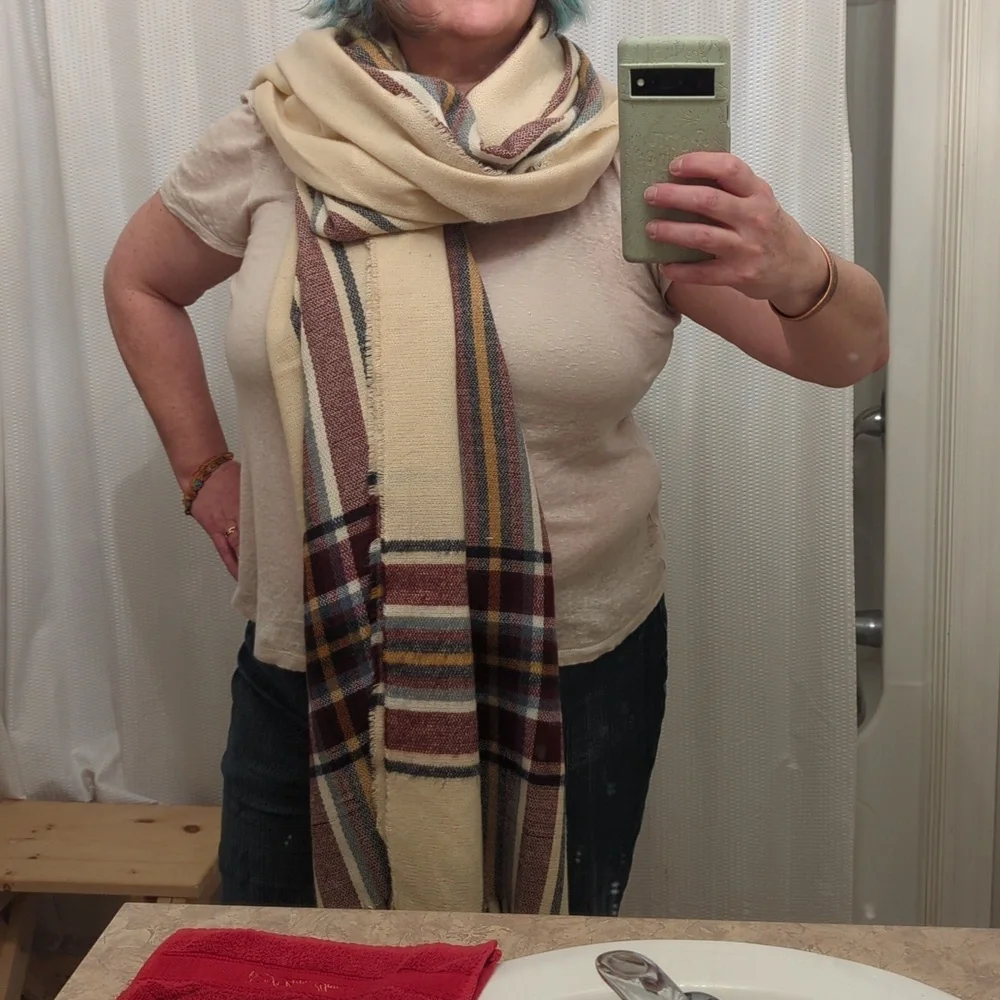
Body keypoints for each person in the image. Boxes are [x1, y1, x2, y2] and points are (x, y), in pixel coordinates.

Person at [104, 0, 888, 917]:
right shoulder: (280, 128)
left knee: (535, 963)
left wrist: (798, 268)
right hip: (316, 657)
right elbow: (139, 280)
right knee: (290, 964)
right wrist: (204, 468)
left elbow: (845, 354)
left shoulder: (622, 156)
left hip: (567, 673)